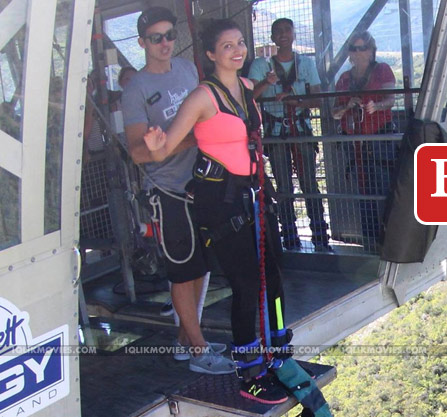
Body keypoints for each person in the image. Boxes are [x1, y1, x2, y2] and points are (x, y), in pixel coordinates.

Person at [142, 20, 332, 414]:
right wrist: (156, 145)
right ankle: (249, 372)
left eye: (240, 43)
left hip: (253, 194)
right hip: (221, 202)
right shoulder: (202, 97)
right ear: (211, 54)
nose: (236, 51)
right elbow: (167, 148)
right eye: (226, 46)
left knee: (272, 277)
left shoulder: (246, 88)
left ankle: (277, 351)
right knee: (246, 284)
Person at [121, 6, 233, 375]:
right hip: (167, 189)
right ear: (142, 43)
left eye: (170, 35)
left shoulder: (187, 70)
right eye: (156, 38)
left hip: (199, 182)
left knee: (199, 267)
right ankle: (198, 350)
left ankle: (188, 340)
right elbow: (137, 152)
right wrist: (180, 141)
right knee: (183, 270)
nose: (165, 43)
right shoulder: (135, 90)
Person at [248, 18, 331, 252]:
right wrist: (267, 82)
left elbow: (317, 99)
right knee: (284, 186)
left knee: (309, 184)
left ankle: (320, 237)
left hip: (300, 130)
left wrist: (296, 102)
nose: (283, 35)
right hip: (277, 133)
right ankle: (290, 238)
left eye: (287, 30)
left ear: (293, 34)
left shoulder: (306, 64)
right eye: (278, 32)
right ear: (272, 37)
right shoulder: (261, 66)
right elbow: (249, 96)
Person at [332, 31, 399, 250]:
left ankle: (389, 241)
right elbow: (335, 113)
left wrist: (375, 106)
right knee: (364, 191)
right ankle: (371, 241)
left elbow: (391, 99)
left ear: (371, 51)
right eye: (354, 49)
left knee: (383, 189)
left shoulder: (382, 70)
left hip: (379, 139)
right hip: (355, 143)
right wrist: (347, 106)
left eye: (362, 48)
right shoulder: (345, 79)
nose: (358, 53)